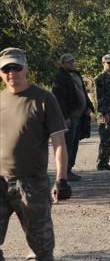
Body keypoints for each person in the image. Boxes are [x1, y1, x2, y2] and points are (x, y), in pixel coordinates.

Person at [0, 47, 71, 260]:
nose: (12, 72)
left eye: (16, 67)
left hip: (32, 185)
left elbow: (59, 142)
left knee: (42, 250)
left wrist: (62, 180)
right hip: (0, 181)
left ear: (26, 68)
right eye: (6, 68)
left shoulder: (44, 99)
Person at [51, 53, 95, 181]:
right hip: (69, 116)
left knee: (75, 142)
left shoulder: (76, 74)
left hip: (79, 115)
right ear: (62, 64)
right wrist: (65, 117)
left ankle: (69, 168)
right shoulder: (59, 77)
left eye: (72, 61)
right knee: (68, 143)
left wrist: (88, 107)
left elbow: (82, 93)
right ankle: (64, 172)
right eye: (68, 62)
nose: (71, 64)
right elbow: (59, 99)